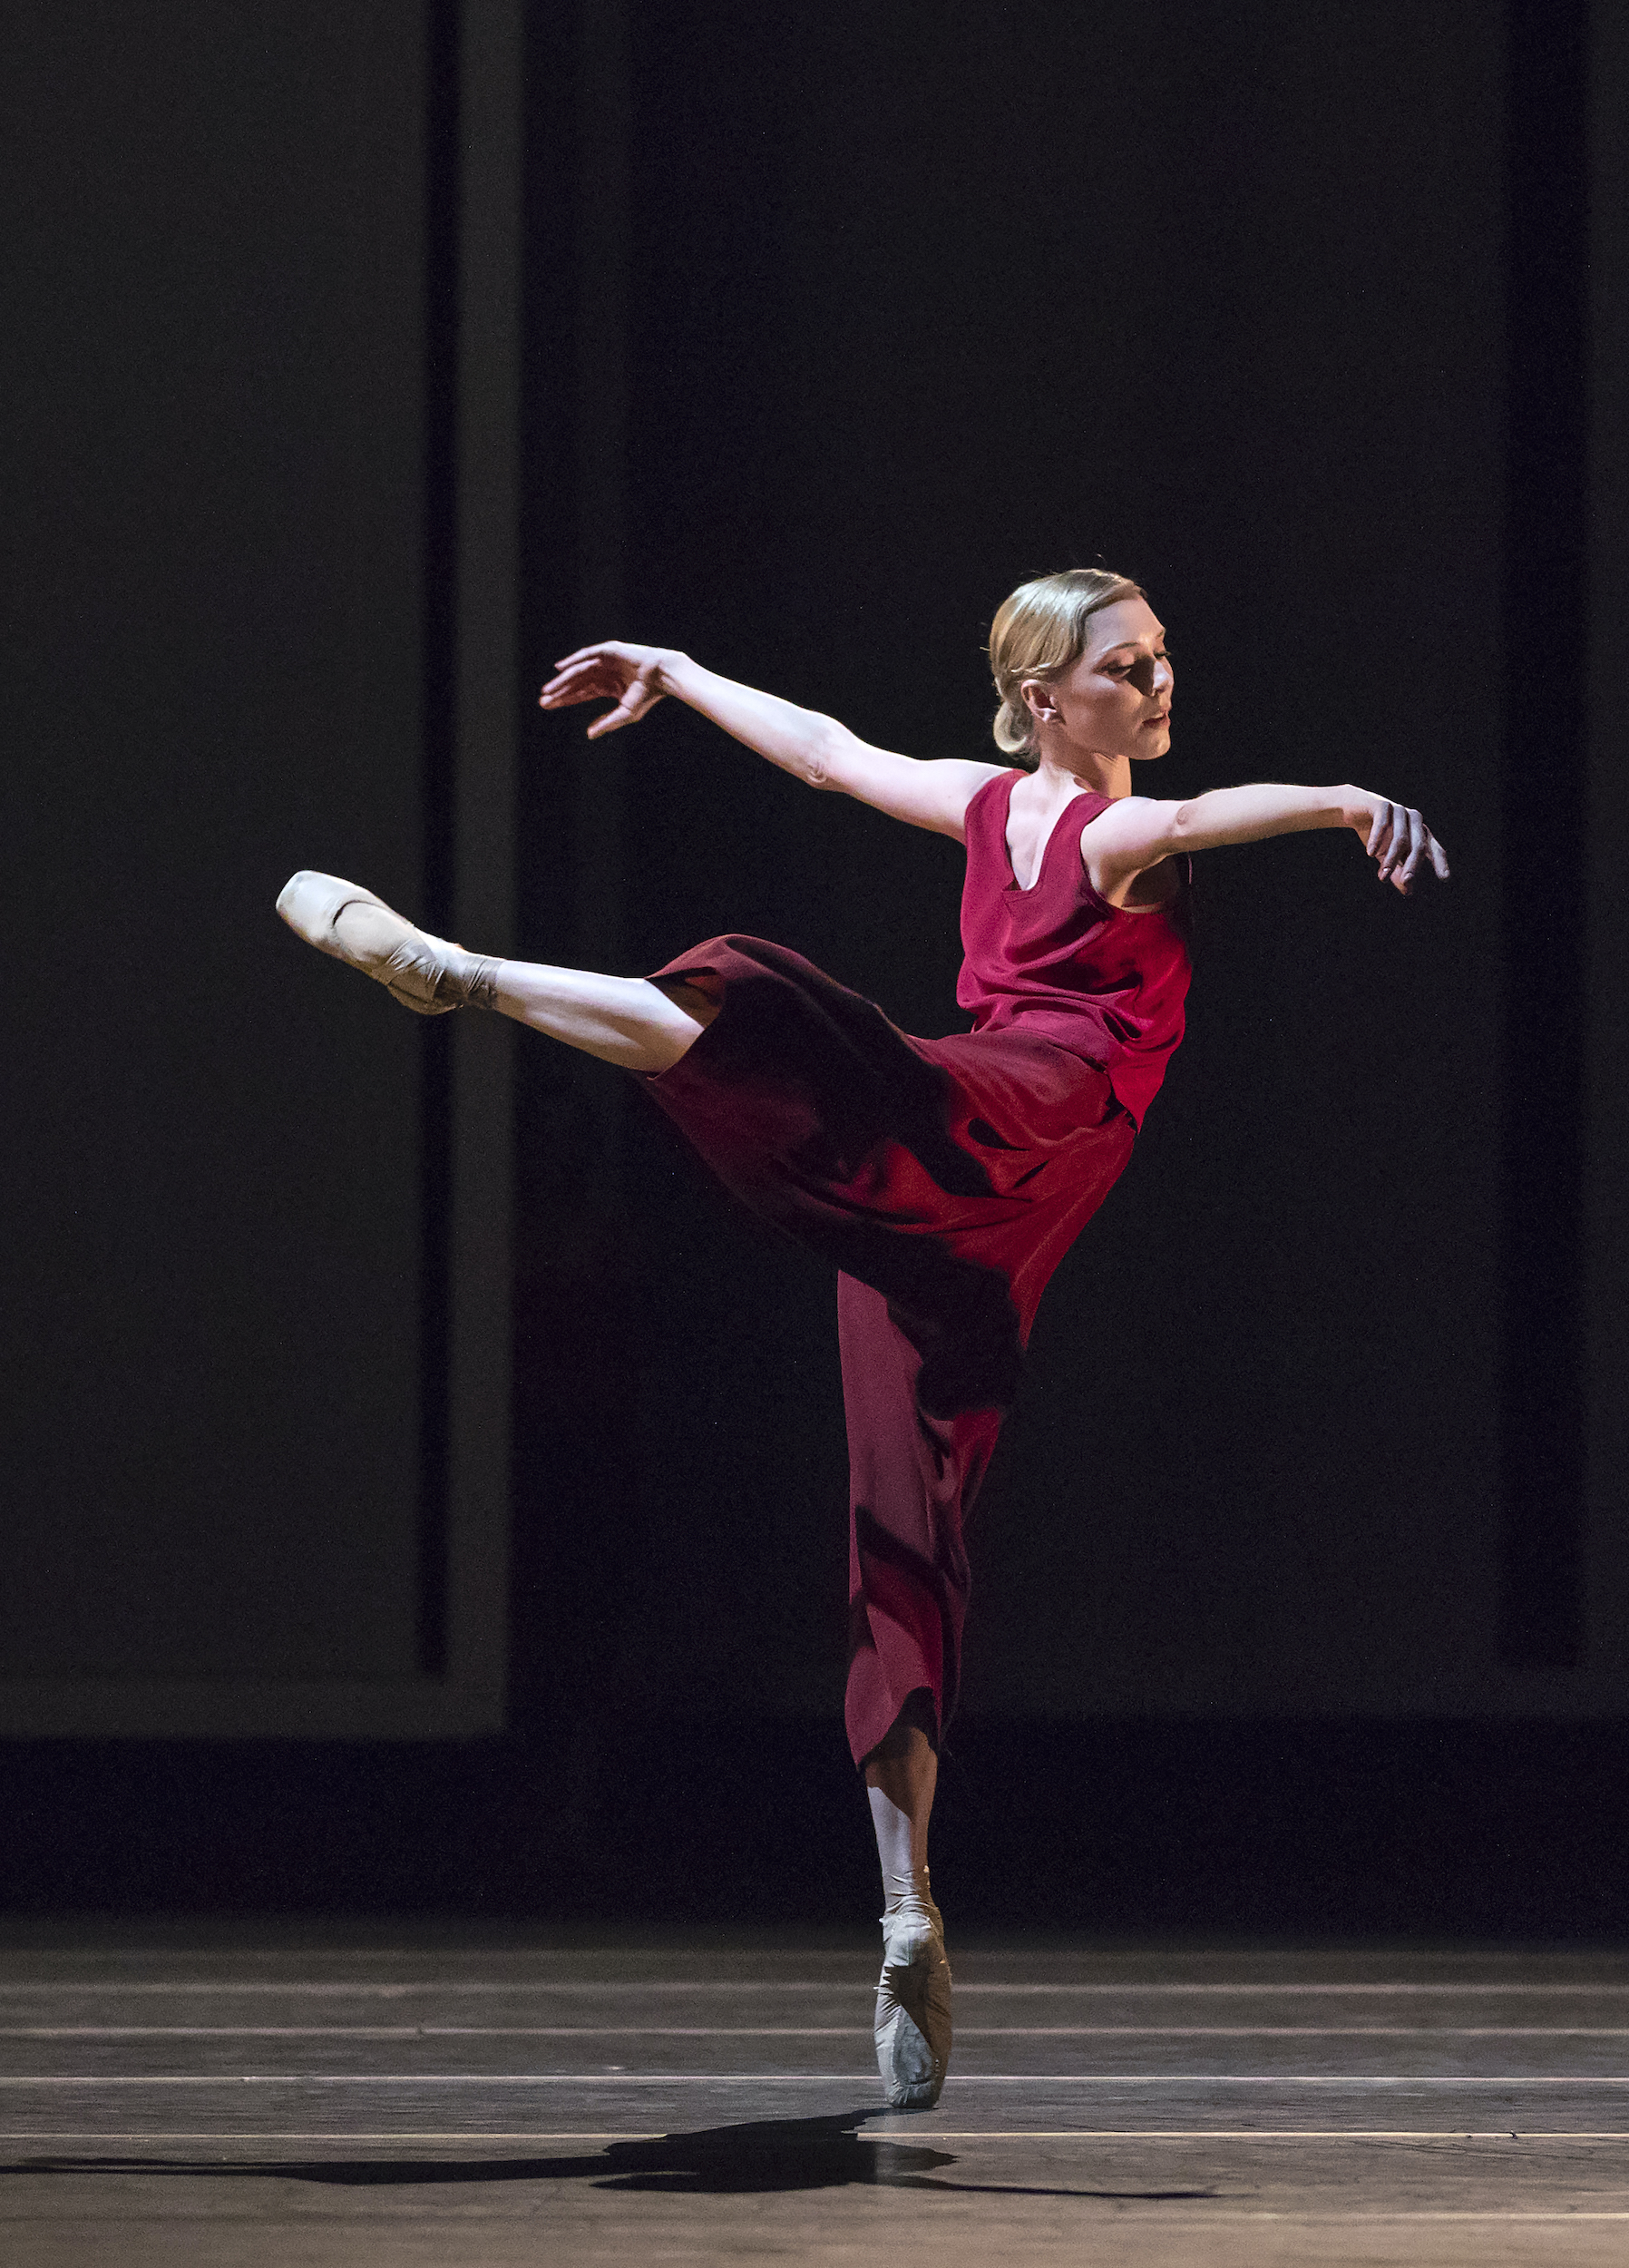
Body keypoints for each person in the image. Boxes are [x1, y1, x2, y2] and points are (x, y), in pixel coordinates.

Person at [276, 567, 1448, 2109]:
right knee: (900, 1509)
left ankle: (473, 980)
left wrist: (1335, 799)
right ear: (1049, 699)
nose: (1162, 684)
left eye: (1163, 659)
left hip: (979, 1168)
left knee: (773, 1036)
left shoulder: (1053, 818)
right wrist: (1350, 798)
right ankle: (907, 1908)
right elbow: (886, 759)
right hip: (975, 1168)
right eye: (1129, 666)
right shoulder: (1059, 818)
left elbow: (985, 778)